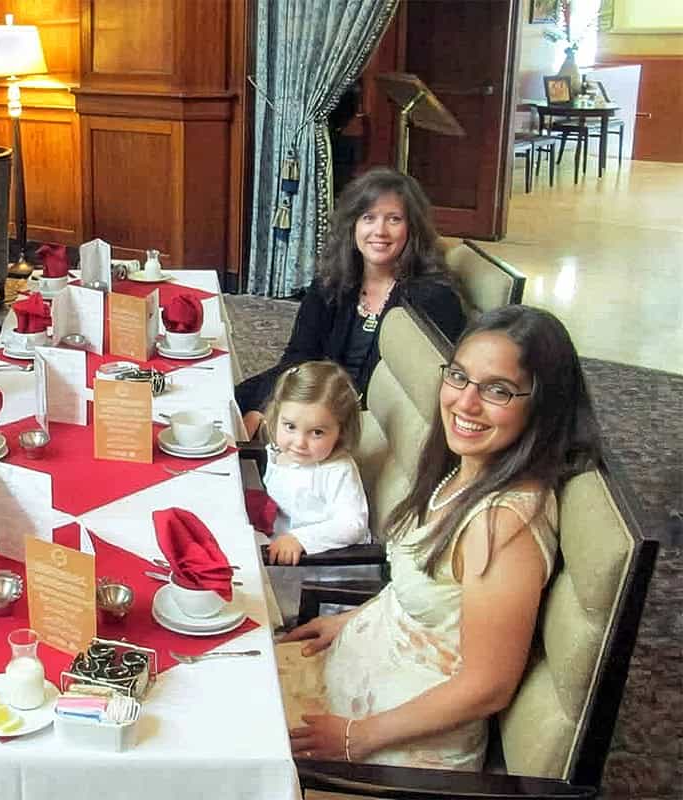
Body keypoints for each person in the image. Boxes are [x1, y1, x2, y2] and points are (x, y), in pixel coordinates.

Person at [279, 305, 602, 769]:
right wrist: (352, 620)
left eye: (498, 390)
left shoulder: (503, 525)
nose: (465, 403)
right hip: (356, 677)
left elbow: (488, 686)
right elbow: (428, 589)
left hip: (395, 746)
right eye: (459, 376)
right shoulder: (462, 469)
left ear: (542, 404)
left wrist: (356, 737)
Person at [238, 167, 466, 436]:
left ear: (412, 229)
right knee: (231, 402)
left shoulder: (432, 299)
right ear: (352, 225)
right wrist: (267, 406)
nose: (380, 231)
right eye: (368, 218)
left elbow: (415, 399)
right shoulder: (331, 283)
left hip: (362, 420)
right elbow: (299, 357)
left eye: (394, 219)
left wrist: (287, 415)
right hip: (317, 395)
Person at [261, 361, 369, 566]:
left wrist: (300, 539)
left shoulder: (338, 470)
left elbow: (353, 524)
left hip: (320, 562)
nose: (299, 442)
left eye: (317, 432)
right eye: (290, 426)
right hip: (276, 540)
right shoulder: (279, 452)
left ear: (341, 432)